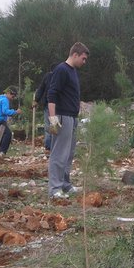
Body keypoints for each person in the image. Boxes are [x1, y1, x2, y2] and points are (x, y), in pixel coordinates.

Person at [46, 42, 89, 199]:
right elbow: (52, 94)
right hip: (62, 117)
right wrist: (53, 119)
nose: (84, 62)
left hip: (72, 117)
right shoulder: (61, 70)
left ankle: (65, 184)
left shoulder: (73, 71)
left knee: (68, 154)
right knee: (59, 153)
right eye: (83, 58)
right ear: (75, 54)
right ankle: (54, 189)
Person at [33, 64, 60, 153]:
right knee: (55, 126)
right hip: (57, 105)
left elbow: (41, 89)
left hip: (48, 105)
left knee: (49, 126)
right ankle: (53, 147)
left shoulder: (47, 77)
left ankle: (48, 147)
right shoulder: (59, 76)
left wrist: (36, 100)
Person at [0, 86, 21, 156]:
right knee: (8, 134)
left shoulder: (1, 99)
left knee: (2, 136)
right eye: (12, 96)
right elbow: (5, 111)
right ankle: (1, 152)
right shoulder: (5, 100)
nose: (12, 98)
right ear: (8, 93)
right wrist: (15, 112)